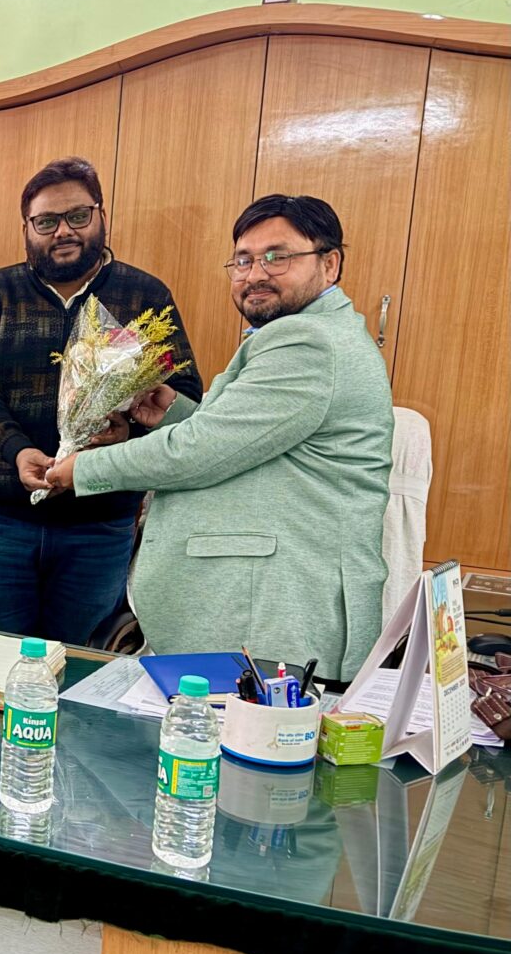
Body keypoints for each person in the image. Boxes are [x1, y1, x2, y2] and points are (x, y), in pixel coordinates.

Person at [46, 195, 391, 681]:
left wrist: (83, 468)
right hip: (265, 616)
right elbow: (250, 444)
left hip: (277, 617)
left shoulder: (308, 342)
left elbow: (202, 451)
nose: (255, 274)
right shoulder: (306, 334)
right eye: (243, 260)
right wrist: (174, 414)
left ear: (329, 264)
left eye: (277, 257)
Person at [0, 156, 203, 647]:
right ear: (27, 229)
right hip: (4, 522)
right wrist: (17, 450)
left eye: (77, 216)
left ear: (101, 215)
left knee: (84, 664)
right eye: (46, 221)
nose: (63, 231)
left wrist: (128, 432)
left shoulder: (144, 294)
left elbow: (184, 393)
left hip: (100, 525)